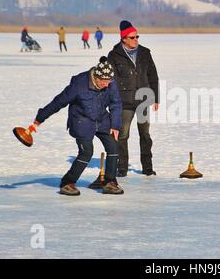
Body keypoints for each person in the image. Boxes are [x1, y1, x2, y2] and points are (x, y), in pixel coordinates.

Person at [32, 56, 124, 196]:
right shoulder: (79, 84)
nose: (107, 84)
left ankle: (109, 182)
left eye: (109, 81)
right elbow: (59, 101)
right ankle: (67, 183)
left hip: (101, 119)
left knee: (113, 146)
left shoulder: (110, 82)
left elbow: (116, 103)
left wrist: (115, 125)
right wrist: (40, 118)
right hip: (81, 121)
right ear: (96, 77)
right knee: (87, 152)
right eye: (104, 81)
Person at [106, 20, 159, 177]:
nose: (136, 39)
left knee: (145, 134)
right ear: (124, 39)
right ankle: (122, 168)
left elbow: (153, 76)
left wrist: (156, 97)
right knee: (122, 135)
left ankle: (147, 167)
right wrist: (112, 101)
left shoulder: (145, 53)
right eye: (133, 37)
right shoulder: (114, 55)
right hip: (125, 102)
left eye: (137, 36)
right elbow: (111, 80)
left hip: (143, 99)